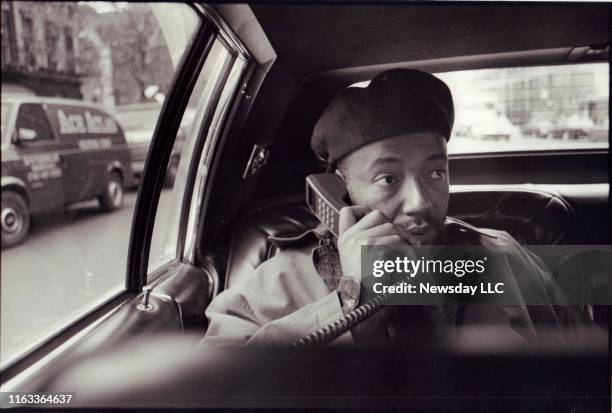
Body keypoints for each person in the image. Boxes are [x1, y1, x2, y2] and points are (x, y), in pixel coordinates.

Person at [202, 69, 586, 348]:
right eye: (388, 178)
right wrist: (350, 303)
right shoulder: (272, 285)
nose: (421, 202)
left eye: (436, 172)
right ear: (340, 190)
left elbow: (584, 371)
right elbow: (213, 393)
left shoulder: (504, 256)